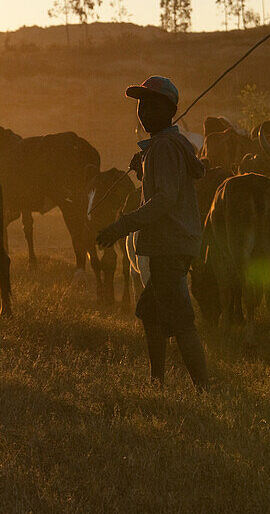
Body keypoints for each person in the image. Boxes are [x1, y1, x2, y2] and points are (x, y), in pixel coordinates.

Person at [95, 76, 209, 389]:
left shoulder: (164, 147)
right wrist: (146, 163)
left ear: (169, 110)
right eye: (141, 105)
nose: (144, 111)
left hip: (169, 245)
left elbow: (165, 199)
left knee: (181, 320)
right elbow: (182, 177)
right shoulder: (166, 146)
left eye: (152, 105)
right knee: (151, 314)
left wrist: (121, 226)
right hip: (171, 244)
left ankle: (205, 389)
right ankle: (156, 382)